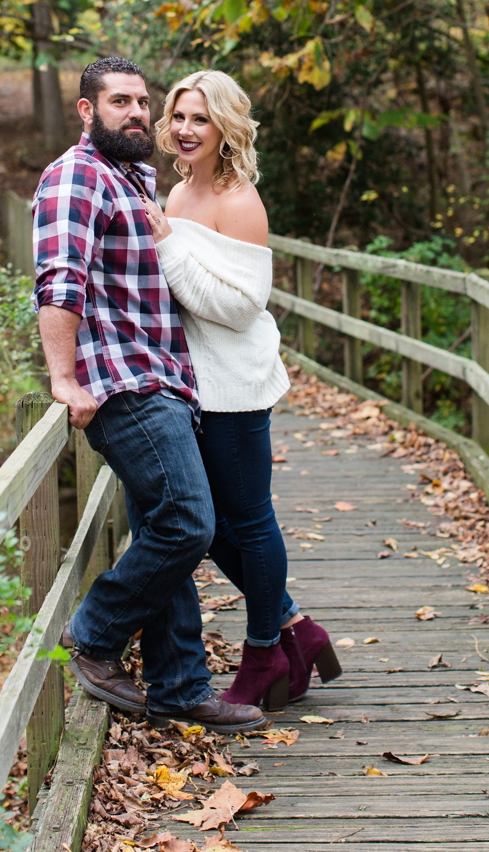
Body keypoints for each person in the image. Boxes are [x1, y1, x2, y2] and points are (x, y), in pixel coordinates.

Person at [36, 57, 267, 735]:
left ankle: (179, 686)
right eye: (119, 103)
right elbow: (59, 279)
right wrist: (63, 377)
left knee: (159, 525)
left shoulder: (134, 177)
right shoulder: (74, 176)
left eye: (143, 103)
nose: (137, 113)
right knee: (188, 524)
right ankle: (97, 632)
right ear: (87, 110)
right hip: (124, 384)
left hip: (167, 378)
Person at [142, 70, 341, 711]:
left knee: (248, 522)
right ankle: (295, 631)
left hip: (236, 384)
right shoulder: (176, 193)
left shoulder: (238, 199)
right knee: (206, 524)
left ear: (225, 125)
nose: (185, 129)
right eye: (177, 116)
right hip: (192, 382)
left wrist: (168, 246)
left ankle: (264, 655)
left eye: (200, 118)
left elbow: (240, 306)